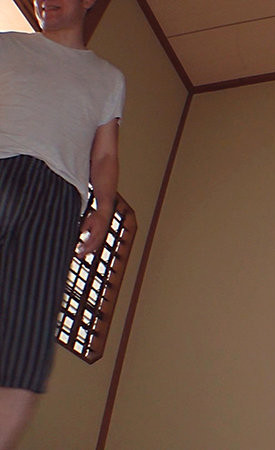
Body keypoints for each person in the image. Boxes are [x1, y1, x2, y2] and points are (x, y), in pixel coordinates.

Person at [0, 0, 125, 447]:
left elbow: (105, 154)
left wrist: (104, 207)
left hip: (58, 198)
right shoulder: (6, 45)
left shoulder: (108, 78)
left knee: (25, 344)